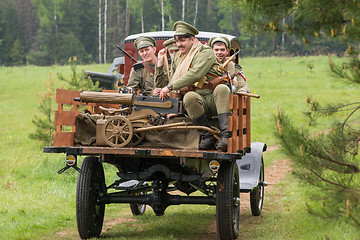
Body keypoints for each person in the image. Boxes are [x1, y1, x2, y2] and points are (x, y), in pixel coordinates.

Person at [158, 21, 231, 151]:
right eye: (177, 41)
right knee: (189, 97)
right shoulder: (177, 57)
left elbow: (195, 74)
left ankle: (226, 136)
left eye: (183, 40)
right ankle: (207, 137)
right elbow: (176, 82)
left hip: (214, 98)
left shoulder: (205, 52)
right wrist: (176, 108)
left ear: (192, 39)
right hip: (198, 101)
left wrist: (168, 87)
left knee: (222, 88)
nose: (179, 44)